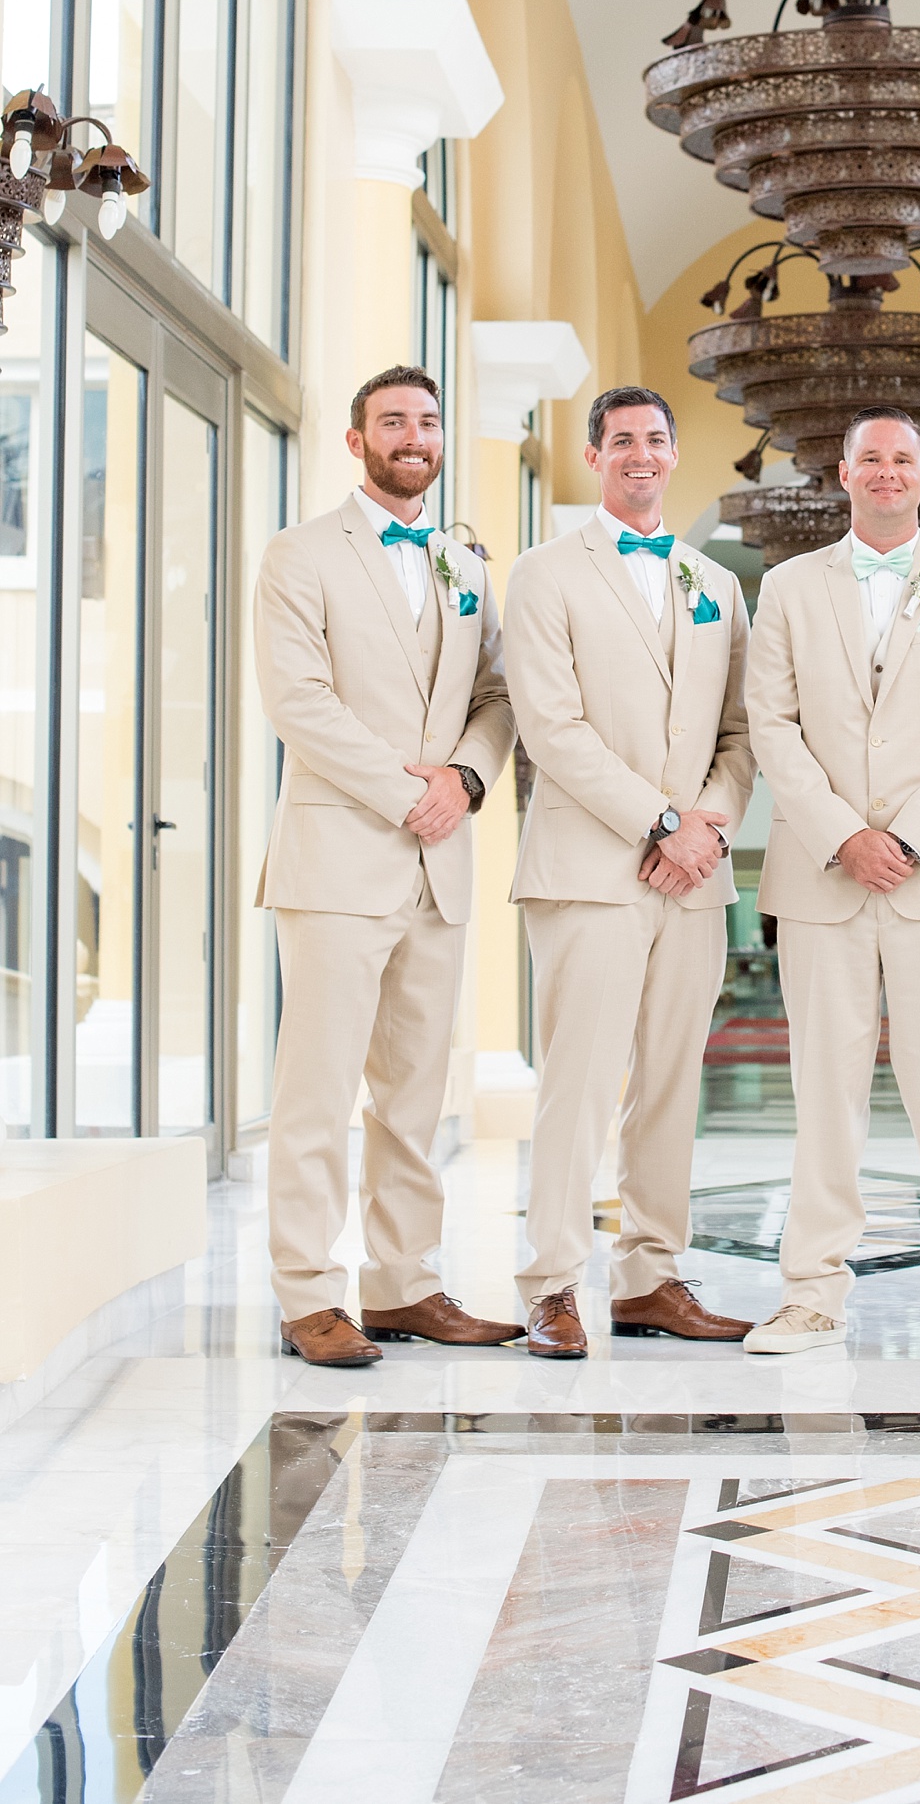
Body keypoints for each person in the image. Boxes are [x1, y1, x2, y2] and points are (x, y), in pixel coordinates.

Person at [742, 407, 920, 1354]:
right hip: (822, 877)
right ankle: (811, 1293)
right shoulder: (786, 587)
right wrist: (841, 836)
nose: (889, 472)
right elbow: (770, 724)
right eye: (871, 458)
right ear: (844, 471)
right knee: (826, 1090)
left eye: (905, 459)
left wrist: (905, 836)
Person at [254, 365, 519, 1366]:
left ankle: (404, 1284)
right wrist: (409, 790)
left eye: (427, 420)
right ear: (357, 440)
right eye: (393, 421)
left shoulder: (462, 559)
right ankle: (306, 1293)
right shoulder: (301, 554)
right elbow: (300, 702)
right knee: (317, 1092)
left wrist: (463, 777)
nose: (414, 434)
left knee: (415, 1094)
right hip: (336, 856)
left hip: (439, 858)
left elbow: (496, 695)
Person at [502, 386, 754, 1357]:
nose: (639, 454)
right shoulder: (544, 574)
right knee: (579, 1078)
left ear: (675, 451)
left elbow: (738, 733)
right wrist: (658, 819)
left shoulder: (712, 582)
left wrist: (704, 827)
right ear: (592, 453)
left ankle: (651, 1273)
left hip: (691, 876)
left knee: (669, 1081)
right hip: (588, 868)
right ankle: (553, 1281)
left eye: (655, 438)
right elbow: (550, 727)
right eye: (621, 441)